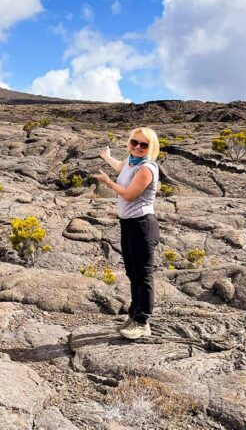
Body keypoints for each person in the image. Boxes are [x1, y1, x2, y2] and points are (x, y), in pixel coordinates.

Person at [92, 127, 160, 340]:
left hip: (142, 225)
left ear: (151, 147)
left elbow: (129, 195)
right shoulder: (131, 162)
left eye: (144, 144)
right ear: (129, 143)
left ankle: (142, 322)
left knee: (143, 275)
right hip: (128, 224)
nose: (138, 147)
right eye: (135, 143)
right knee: (133, 272)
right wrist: (108, 157)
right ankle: (134, 315)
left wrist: (108, 182)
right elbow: (120, 166)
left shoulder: (146, 169)